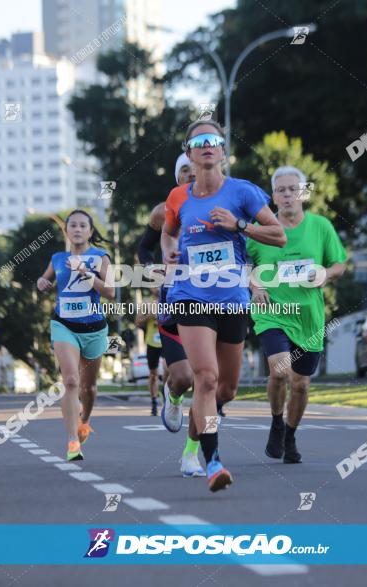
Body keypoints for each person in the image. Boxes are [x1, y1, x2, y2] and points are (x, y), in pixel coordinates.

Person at [161, 120, 287, 491]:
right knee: (207, 377)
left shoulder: (243, 192)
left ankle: (198, 434)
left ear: (223, 150)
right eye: (199, 142)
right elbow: (168, 234)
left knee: (226, 389)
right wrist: (170, 254)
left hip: (232, 298)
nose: (207, 146)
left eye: (213, 141)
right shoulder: (177, 197)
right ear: (189, 153)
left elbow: (278, 235)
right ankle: (213, 461)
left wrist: (239, 225)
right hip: (190, 296)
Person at [247, 166, 347, 464]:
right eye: (281, 190)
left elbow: (339, 264)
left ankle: (289, 435)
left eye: (293, 189)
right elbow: (244, 266)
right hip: (273, 312)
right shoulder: (260, 229)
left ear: (302, 193)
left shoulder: (320, 227)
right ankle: (277, 422)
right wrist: (254, 286)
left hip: (309, 316)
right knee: (279, 371)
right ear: (273, 196)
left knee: (301, 384)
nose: (287, 194)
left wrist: (326, 274)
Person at [136, 153, 206, 477]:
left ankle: (194, 453)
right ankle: (173, 394)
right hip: (174, 298)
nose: (191, 178)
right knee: (184, 378)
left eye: (196, 172)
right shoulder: (163, 211)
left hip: (210, 299)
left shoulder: (219, 207)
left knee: (211, 382)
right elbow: (144, 247)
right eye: (185, 173)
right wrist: (152, 269)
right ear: (177, 177)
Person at [37, 210, 115, 461]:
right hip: (64, 326)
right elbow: (45, 280)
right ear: (67, 231)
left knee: (88, 388)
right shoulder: (58, 258)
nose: (78, 229)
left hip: (93, 329)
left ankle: (85, 420)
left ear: (90, 232)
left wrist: (85, 273)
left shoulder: (102, 258)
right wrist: (42, 283)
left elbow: (111, 292)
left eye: (83, 225)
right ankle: (72, 442)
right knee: (70, 381)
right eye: (73, 225)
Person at [134, 289, 163, 416]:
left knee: (169, 371)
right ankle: (154, 401)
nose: (157, 287)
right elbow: (137, 322)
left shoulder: (171, 299)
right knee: (153, 374)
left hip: (168, 340)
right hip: (152, 342)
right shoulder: (147, 303)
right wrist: (149, 316)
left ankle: (169, 399)